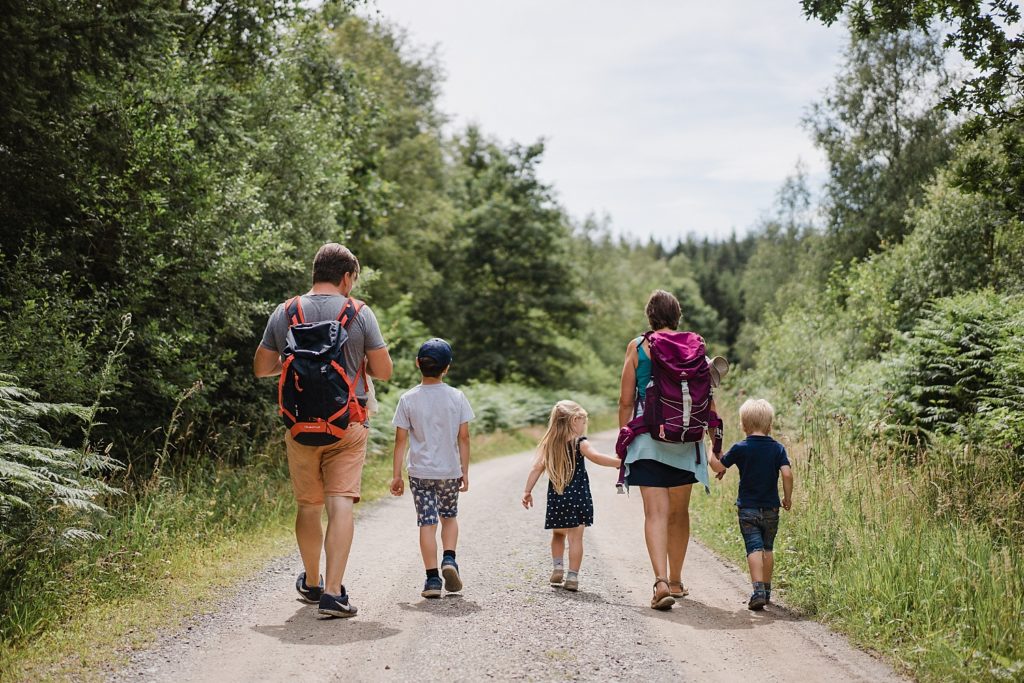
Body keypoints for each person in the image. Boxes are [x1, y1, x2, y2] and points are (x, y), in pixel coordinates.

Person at [253, 243, 393, 618]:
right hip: (348, 424)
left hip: (300, 425)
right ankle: (333, 593)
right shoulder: (359, 312)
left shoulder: (286, 311)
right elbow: (383, 371)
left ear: (315, 271)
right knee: (340, 502)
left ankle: (312, 582)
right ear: (346, 277)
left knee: (308, 505)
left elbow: (262, 367)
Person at [618, 289, 719, 610]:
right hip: (686, 442)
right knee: (679, 513)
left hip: (648, 439)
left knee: (656, 514)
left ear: (650, 316)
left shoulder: (638, 347)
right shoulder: (695, 348)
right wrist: (715, 447)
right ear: (678, 316)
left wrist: (625, 439)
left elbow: (625, 400)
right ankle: (676, 580)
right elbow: (708, 400)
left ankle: (660, 582)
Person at [389, 338, 474, 599]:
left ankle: (432, 580)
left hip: (420, 473)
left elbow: (401, 440)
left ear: (418, 364)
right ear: (447, 368)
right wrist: (465, 471)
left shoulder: (408, 399)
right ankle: (449, 559)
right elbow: (464, 437)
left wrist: (396, 475)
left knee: (427, 523)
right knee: (449, 516)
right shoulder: (457, 397)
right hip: (448, 471)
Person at [522, 400, 620, 592]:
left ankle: (558, 567)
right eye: (583, 422)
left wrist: (527, 491)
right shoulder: (580, 442)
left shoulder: (550, 443)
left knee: (558, 534)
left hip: (557, 497)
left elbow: (536, 468)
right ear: (575, 420)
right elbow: (597, 457)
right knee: (576, 539)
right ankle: (572, 577)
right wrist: (619, 462)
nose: (584, 426)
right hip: (577, 498)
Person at [708, 398, 794, 610]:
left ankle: (757, 591)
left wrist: (711, 448)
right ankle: (767, 589)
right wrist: (788, 497)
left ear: (743, 425)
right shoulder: (778, 449)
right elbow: (787, 473)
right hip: (772, 508)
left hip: (747, 508)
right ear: (770, 425)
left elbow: (718, 466)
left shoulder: (741, 447)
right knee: (768, 548)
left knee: (753, 548)